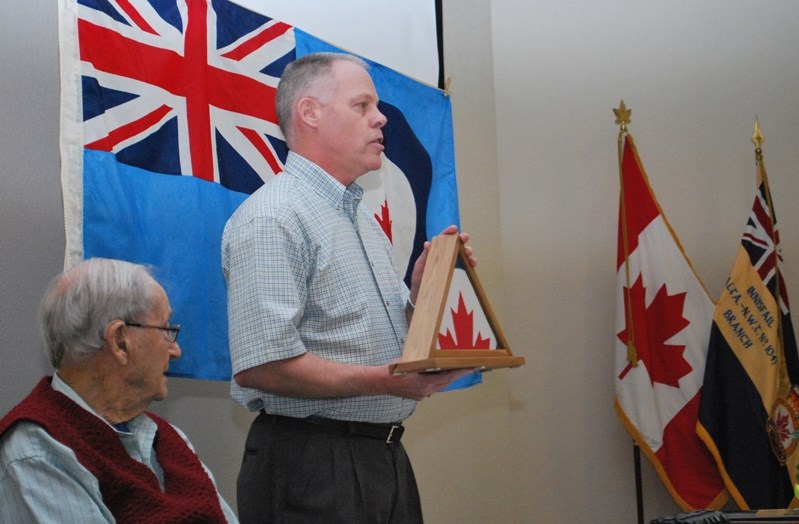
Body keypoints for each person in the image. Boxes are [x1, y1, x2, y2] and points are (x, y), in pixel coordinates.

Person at [222, 51, 475, 523]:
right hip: (312, 465)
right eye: (362, 106)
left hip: (383, 457)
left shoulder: (360, 217)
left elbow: (387, 339)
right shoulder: (273, 217)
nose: (381, 118)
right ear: (310, 113)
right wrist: (387, 381)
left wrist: (423, 293)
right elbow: (263, 367)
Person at [0, 258, 238, 523]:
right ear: (120, 341)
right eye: (166, 330)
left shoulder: (167, 439)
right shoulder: (36, 451)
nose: (176, 351)